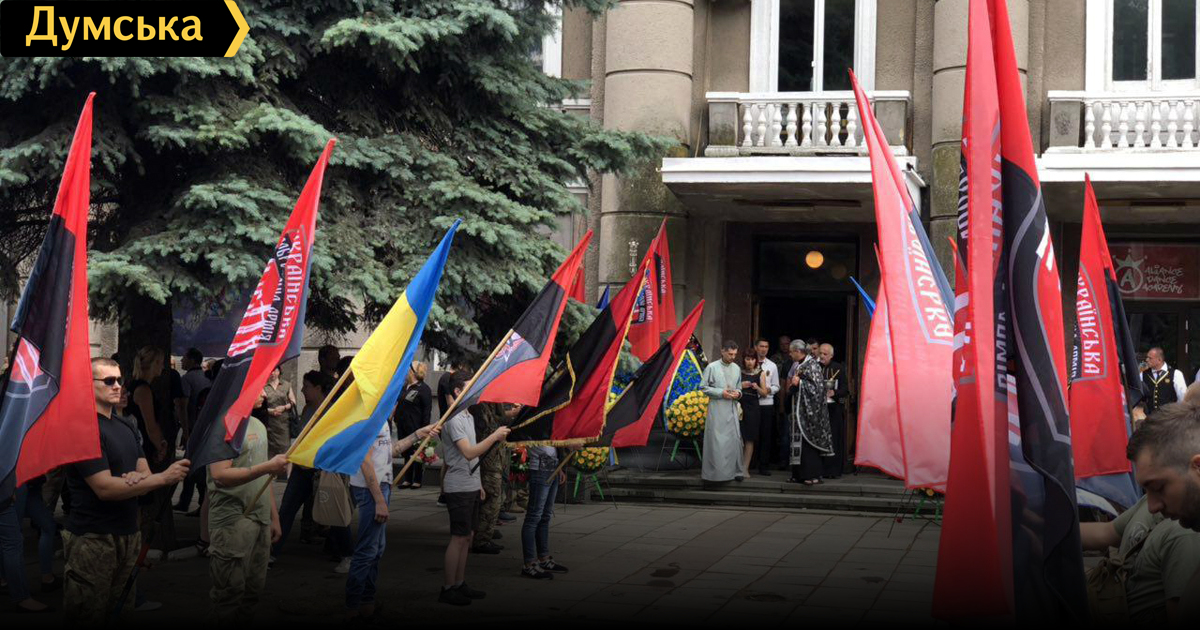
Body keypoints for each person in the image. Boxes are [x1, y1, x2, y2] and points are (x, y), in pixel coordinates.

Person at [61, 358, 190, 623]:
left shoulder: (125, 426)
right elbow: (104, 487)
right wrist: (161, 478)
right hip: (94, 538)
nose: (118, 386)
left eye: (120, 380)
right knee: (88, 612)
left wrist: (140, 480)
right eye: (109, 381)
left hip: (128, 535)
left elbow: (143, 474)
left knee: (122, 610)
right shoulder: (83, 428)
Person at [1080, 403, 1200, 624]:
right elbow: (1106, 532)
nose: (1152, 506)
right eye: (1147, 490)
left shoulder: (1186, 537)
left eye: (1159, 487)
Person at [345, 407, 439, 618]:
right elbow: (365, 459)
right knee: (367, 550)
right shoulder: (369, 414)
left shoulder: (382, 417)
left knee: (376, 549)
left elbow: (390, 450)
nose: (397, 404)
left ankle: (366, 604)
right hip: (371, 490)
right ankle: (353, 607)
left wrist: (417, 434)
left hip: (379, 487)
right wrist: (379, 500)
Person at [206, 393, 289, 622]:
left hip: (260, 521)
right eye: (259, 387)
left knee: (253, 593)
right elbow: (220, 475)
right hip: (232, 522)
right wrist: (268, 467)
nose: (264, 394)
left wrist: (273, 517)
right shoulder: (224, 424)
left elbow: (264, 477)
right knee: (228, 595)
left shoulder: (258, 425)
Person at [439, 373, 511, 606]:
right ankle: (448, 587)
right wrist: (494, 437)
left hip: (470, 484)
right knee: (458, 537)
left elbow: (472, 458)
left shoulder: (467, 415)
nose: (477, 391)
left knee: (468, 536)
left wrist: (478, 483)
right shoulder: (454, 419)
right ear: (458, 391)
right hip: (458, 486)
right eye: (471, 386)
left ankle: (459, 583)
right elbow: (469, 452)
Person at [273, 370, 335, 559]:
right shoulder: (307, 409)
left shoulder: (330, 411)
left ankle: (344, 551)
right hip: (301, 468)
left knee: (331, 511)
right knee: (287, 508)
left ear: (318, 388)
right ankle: (272, 552)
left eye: (306, 386)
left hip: (320, 469)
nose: (302, 390)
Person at [520, 442, 568, 580]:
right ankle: (529, 563)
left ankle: (544, 558)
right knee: (534, 517)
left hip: (553, 467)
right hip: (540, 469)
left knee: (545, 516)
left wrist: (559, 468)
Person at [788, 340, 833, 485]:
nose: (789, 354)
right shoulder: (800, 365)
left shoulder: (812, 365)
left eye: (791, 352)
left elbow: (817, 388)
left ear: (798, 351)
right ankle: (798, 475)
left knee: (809, 444)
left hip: (810, 413)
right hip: (799, 411)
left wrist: (800, 383)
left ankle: (811, 475)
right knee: (798, 442)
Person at [472, 403, 515, 554]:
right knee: (491, 498)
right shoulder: (479, 407)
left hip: (496, 459)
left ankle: (486, 533)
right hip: (488, 461)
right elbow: (486, 429)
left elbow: (500, 419)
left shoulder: (493, 405)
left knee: (494, 500)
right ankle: (481, 539)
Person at [701, 341, 746, 484]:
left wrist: (738, 394)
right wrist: (721, 393)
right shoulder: (712, 367)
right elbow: (703, 387)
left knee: (733, 440)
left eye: (735, 354)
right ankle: (716, 474)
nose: (732, 357)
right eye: (730, 354)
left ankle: (735, 471)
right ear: (722, 351)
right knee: (717, 442)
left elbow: (739, 388)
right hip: (717, 409)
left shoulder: (736, 368)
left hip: (731, 408)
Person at [176, 348, 211, 512]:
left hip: (193, 427)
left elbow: (182, 406)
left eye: (184, 358)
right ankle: (187, 500)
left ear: (192, 360)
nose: (182, 361)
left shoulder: (187, 379)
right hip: (205, 428)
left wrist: (185, 430)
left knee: (191, 465)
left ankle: (193, 502)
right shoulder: (205, 378)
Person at [396, 362, 433, 489]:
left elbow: (427, 410)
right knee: (406, 452)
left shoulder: (423, 388)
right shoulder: (405, 387)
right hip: (403, 425)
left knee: (417, 453)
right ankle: (407, 479)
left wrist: (425, 429)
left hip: (416, 426)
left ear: (412, 371)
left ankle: (417, 479)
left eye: (407, 368)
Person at [819, 343, 849, 479]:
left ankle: (833, 471)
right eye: (820, 353)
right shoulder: (815, 367)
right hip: (819, 410)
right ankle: (819, 469)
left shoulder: (838, 368)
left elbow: (845, 389)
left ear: (831, 355)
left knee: (834, 439)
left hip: (834, 410)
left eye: (825, 354)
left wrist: (834, 392)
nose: (822, 356)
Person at [739, 349, 769, 476]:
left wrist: (757, 387)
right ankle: (736, 467)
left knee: (749, 438)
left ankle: (745, 468)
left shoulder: (761, 373)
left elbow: (765, 393)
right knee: (738, 437)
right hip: (739, 406)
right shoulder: (739, 372)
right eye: (747, 359)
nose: (750, 362)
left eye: (752, 359)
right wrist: (741, 385)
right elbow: (730, 387)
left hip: (753, 407)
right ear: (744, 360)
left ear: (756, 360)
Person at [753, 338, 780, 476]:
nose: (764, 349)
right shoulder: (749, 362)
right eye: (761, 346)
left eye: (766, 346)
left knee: (766, 435)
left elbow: (776, 386)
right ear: (756, 347)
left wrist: (768, 390)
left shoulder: (772, 366)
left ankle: (764, 465)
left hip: (767, 404)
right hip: (752, 403)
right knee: (752, 434)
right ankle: (751, 463)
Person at [1140, 348, 1188, 417]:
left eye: (1150, 358)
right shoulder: (1143, 374)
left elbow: (1182, 398)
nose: (1147, 360)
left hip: (1168, 418)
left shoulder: (1176, 374)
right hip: (1149, 418)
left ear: (1159, 360)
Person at [261, 365, 297, 458]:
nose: (272, 373)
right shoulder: (263, 386)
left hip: (283, 423)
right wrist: (271, 411)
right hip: (269, 424)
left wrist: (284, 407)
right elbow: (260, 406)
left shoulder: (286, 385)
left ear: (279, 372)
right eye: (270, 371)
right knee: (270, 451)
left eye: (275, 371)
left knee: (284, 451)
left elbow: (293, 402)